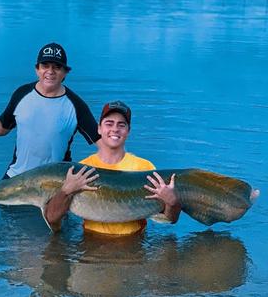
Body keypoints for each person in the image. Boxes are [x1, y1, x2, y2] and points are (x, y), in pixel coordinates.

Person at [44, 100, 181, 235]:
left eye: (121, 125)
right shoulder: (80, 170)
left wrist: (172, 203)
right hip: (91, 244)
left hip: (133, 245)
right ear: (99, 128)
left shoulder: (145, 168)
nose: (115, 129)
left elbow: (170, 219)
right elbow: (52, 219)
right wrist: (65, 191)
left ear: (128, 131)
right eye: (109, 124)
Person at [0, 43, 100, 178]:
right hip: (17, 176)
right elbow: (2, 127)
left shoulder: (76, 105)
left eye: (57, 67)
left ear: (65, 72)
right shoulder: (22, 94)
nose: (50, 71)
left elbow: (101, 141)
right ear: (37, 69)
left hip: (54, 181)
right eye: (45, 66)